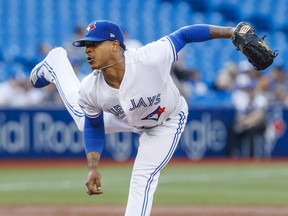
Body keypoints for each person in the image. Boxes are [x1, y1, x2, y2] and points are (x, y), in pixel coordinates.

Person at [30, 20, 236, 216]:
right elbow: (94, 125)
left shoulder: (149, 58)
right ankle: (57, 63)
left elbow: (185, 34)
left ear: (114, 45)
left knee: (142, 177)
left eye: (94, 44)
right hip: (127, 116)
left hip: (166, 121)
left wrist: (231, 32)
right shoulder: (90, 88)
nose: (88, 50)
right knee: (84, 121)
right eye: (86, 45)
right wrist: (93, 167)